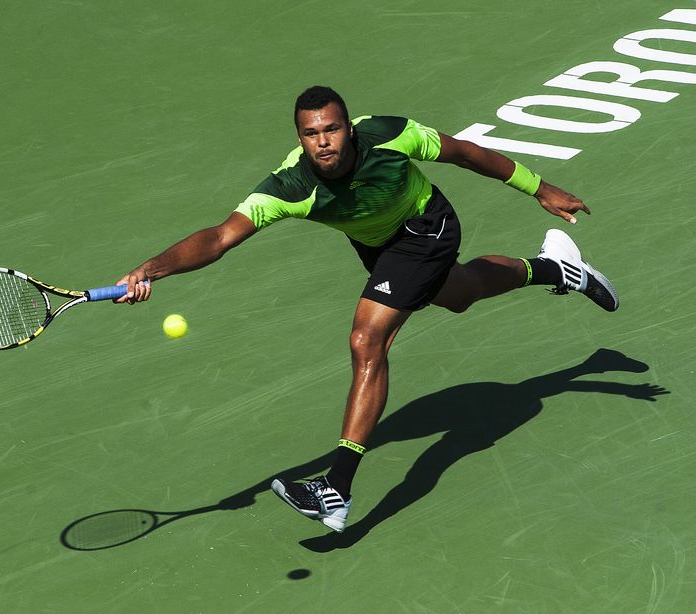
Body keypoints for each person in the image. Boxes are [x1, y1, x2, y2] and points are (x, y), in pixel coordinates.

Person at [114, 85, 619, 534]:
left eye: (332, 129)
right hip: (379, 248)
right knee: (460, 293)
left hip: (427, 227)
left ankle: (337, 488)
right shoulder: (290, 187)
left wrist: (542, 188)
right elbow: (220, 236)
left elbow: (465, 153)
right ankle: (558, 268)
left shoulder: (389, 135)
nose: (324, 142)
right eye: (311, 134)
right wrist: (149, 269)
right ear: (300, 137)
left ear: (349, 127)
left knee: (367, 339)